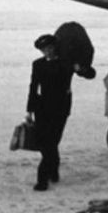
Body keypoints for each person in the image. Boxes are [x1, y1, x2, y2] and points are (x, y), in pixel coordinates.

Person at [26, 34, 90, 191]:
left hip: (60, 109)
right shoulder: (38, 64)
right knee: (45, 143)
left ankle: (42, 179)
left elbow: (90, 74)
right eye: (43, 49)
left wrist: (80, 68)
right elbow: (33, 87)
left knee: (51, 142)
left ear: (54, 47)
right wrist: (29, 110)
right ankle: (53, 170)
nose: (46, 52)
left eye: (49, 48)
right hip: (42, 108)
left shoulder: (66, 63)